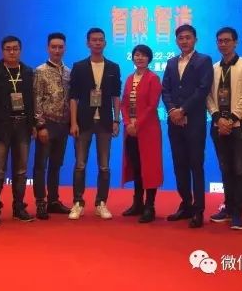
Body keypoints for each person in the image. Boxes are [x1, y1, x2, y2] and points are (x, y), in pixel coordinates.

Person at [161, 24, 213, 228]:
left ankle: (198, 210)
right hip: (174, 122)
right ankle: (186, 205)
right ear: (176, 41)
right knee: (179, 164)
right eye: (181, 38)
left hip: (194, 122)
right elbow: (165, 89)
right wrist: (173, 111)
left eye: (188, 37)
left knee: (196, 165)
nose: (184, 41)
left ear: (195, 40)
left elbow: (203, 89)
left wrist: (183, 110)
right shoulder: (171, 62)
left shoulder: (204, 60)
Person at [68, 27, 121, 220]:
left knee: (104, 166)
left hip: (105, 122)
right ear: (88, 43)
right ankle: (78, 203)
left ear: (105, 43)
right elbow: (73, 98)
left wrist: (116, 119)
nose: (97, 43)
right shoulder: (79, 66)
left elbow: (116, 96)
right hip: (83, 122)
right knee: (80, 164)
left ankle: (101, 203)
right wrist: (73, 123)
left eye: (100, 40)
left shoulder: (113, 67)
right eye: (94, 40)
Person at [206, 27, 242, 230]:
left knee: (239, 169)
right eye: (220, 41)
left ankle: (238, 212)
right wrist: (218, 118)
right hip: (218, 126)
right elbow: (209, 96)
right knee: (225, 168)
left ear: (236, 42)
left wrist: (231, 119)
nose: (223, 44)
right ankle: (228, 206)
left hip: (239, 126)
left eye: (227, 40)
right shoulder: (214, 68)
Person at [0, 36, 35, 224]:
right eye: (8, 49)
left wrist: (33, 125)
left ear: (20, 50)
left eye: (15, 48)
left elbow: (32, 101)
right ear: (2, 51)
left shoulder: (28, 72)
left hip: (23, 126)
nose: (12, 52)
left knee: (21, 170)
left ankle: (19, 207)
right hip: (1, 127)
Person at [120, 44, 163, 223]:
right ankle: (137, 203)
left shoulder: (153, 78)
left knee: (149, 168)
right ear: (133, 58)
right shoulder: (130, 78)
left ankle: (149, 206)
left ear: (149, 58)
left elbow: (152, 106)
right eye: (137, 55)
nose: (140, 58)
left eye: (144, 55)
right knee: (137, 167)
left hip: (148, 130)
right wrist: (127, 123)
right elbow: (123, 104)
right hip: (130, 130)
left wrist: (137, 124)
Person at [32, 33, 72, 220]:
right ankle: (41, 202)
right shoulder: (40, 71)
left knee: (56, 164)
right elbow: (36, 100)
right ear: (48, 48)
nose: (57, 50)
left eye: (60, 47)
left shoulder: (68, 72)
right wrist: (40, 126)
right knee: (41, 165)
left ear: (65, 48)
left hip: (63, 125)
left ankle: (53, 200)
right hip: (46, 124)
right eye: (53, 47)